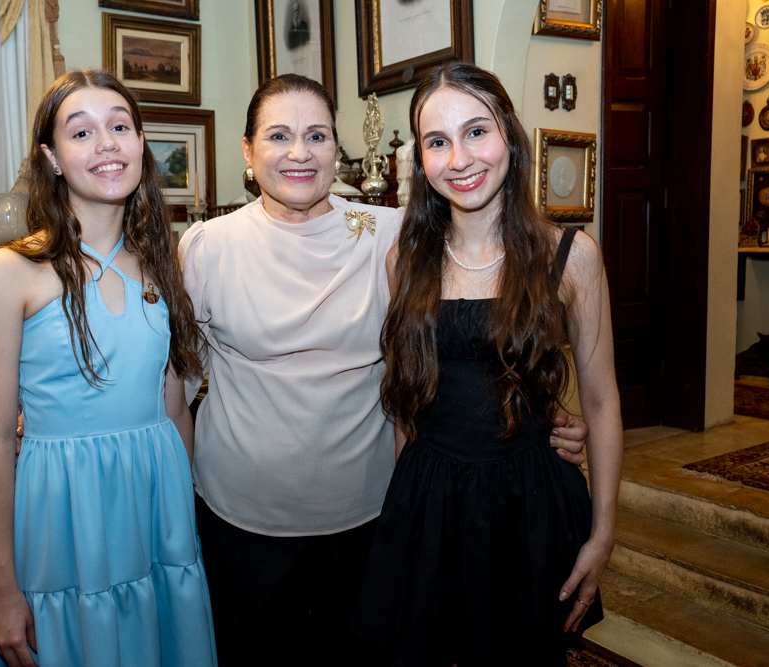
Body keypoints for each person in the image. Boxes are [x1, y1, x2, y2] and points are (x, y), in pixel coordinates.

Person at [179, 73, 589, 666]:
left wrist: (548, 411)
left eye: (317, 135)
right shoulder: (205, 247)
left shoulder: (391, 236)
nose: (300, 152)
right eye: (278, 136)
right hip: (240, 518)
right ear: (247, 150)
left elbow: (475, 329)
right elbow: (178, 388)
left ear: (336, 146)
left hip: (368, 516)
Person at [352, 63, 622, 666]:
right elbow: (408, 401)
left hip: (530, 507)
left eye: (476, 131)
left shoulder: (571, 257)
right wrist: (404, 516)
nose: (459, 159)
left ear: (510, 135)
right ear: (420, 159)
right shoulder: (403, 262)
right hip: (429, 501)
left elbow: (602, 403)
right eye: (437, 142)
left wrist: (603, 535)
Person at [0, 69, 216, 667]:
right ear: (52, 158)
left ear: (141, 144)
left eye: (120, 127)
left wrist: (182, 521)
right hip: (64, 512)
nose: (107, 143)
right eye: (81, 132)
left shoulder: (161, 264)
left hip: (156, 509)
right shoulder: (9, 272)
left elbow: (174, 409)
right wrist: (1, 589)